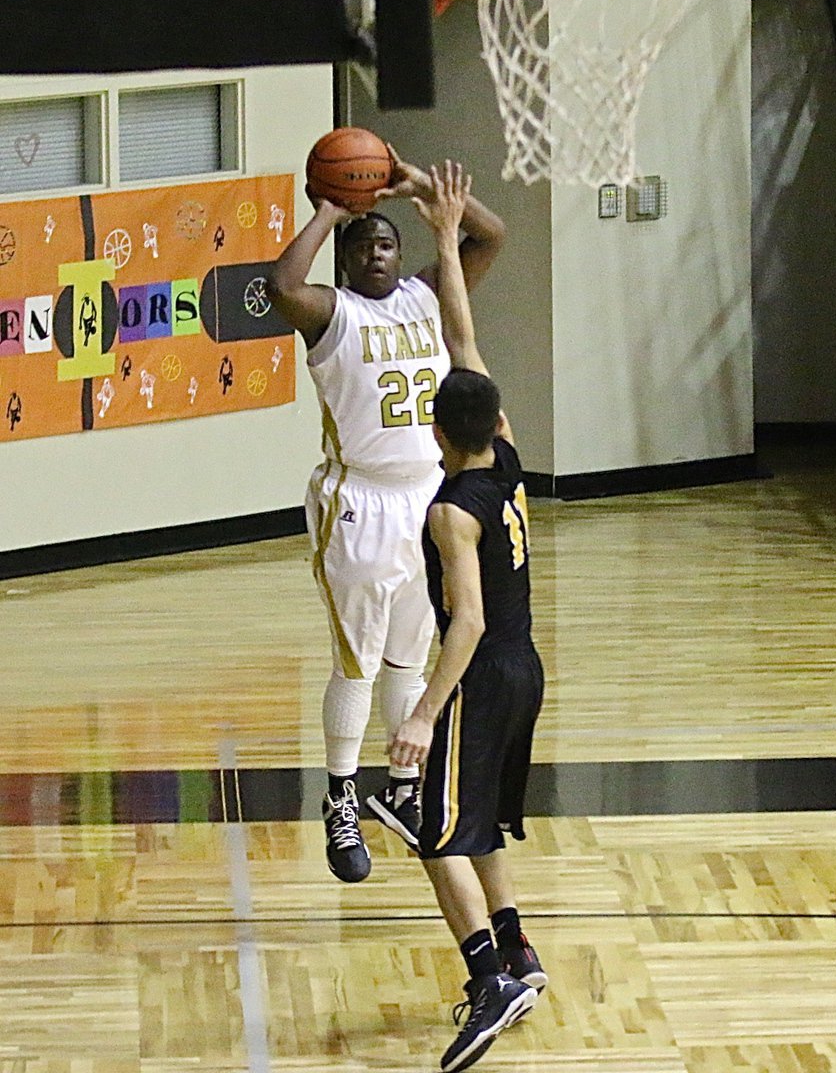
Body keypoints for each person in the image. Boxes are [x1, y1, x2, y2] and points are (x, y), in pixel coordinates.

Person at [266, 145, 504, 884]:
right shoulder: (329, 312)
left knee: (410, 652)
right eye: (363, 244)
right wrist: (331, 209)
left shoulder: (428, 297)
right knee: (358, 661)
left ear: (402, 251)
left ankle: (402, 787)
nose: (376, 249)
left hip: (427, 495)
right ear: (346, 261)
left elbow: (489, 236)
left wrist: (421, 187)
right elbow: (279, 284)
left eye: (385, 239)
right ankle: (338, 796)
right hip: (358, 502)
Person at [390, 162, 546, 1073]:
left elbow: (468, 622)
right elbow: (463, 335)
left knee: (435, 831)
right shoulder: (509, 453)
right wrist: (445, 237)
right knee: (477, 819)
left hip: (485, 671)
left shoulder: (453, 511)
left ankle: (490, 980)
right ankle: (519, 950)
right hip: (529, 668)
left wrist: (419, 715)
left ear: (433, 431)